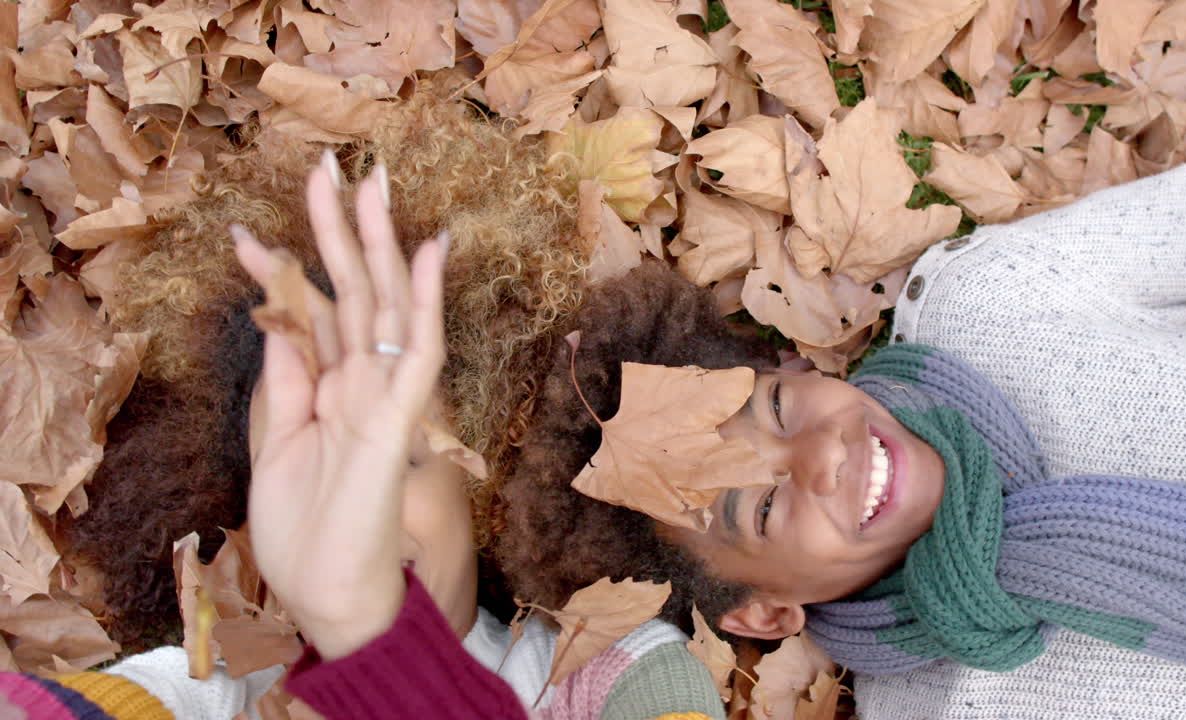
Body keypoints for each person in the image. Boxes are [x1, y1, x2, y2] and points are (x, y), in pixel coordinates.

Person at [494, 138, 1186, 719]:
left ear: (797, 374)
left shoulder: (991, 307)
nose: (822, 457)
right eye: (762, 509)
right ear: (764, 613)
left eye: (776, 409)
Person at [9, 89, 725, 719]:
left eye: (402, 458)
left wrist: (381, 650)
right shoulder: (202, 695)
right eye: (305, 466)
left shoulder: (610, 674)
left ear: (479, 477)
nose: (362, 508)